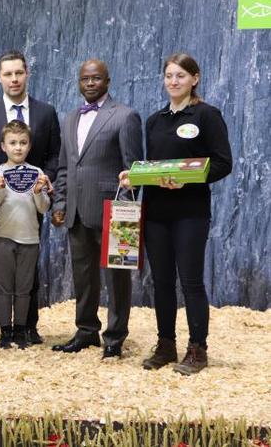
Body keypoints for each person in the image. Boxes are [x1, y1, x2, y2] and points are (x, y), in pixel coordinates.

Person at [119, 53, 232, 375]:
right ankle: (166, 344)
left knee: (191, 282)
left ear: (195, 79)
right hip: (155, 212)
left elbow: (223, 163)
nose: (174, 81)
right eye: (169, 76)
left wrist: (186, 177)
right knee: (162, 282)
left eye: (180, 76)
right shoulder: (156, 120)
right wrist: (134, 177)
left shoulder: (207, 116)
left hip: (190, 213)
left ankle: (198, 348)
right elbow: (153, 168)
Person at [51, 59, 142, 359]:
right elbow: (65, 167)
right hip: (76, 210)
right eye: (85, 79)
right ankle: (86, 330)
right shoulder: (70, 118)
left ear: (107, 81)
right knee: (83, 274)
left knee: (116, 277)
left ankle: (115, 337)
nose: (90, 83)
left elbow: (133, 169)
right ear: (79, 82)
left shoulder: (125, 116)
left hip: (112, 212)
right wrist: (60, 203)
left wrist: (126, 210)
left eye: (96, 78)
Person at [0, 50, 61, 347]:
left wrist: (44, 181)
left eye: (18, 73)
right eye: (8, 74)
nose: (14, 79)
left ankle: (28, 326)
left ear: (27, 74)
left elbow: (54, 155)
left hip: (30, 202)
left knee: (28, 268)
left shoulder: (46, 112)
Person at [0, 120, 51, 349]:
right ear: (3, 146)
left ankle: (21, 331)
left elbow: (43, 208)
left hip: (30, 240)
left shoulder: (37, 173)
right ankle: (5, 332)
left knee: (24, 289)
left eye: (23, 143)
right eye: (13, 143)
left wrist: (37, 192)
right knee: (4, 288)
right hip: (3, 238)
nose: (18, 147)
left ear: (30, 145)